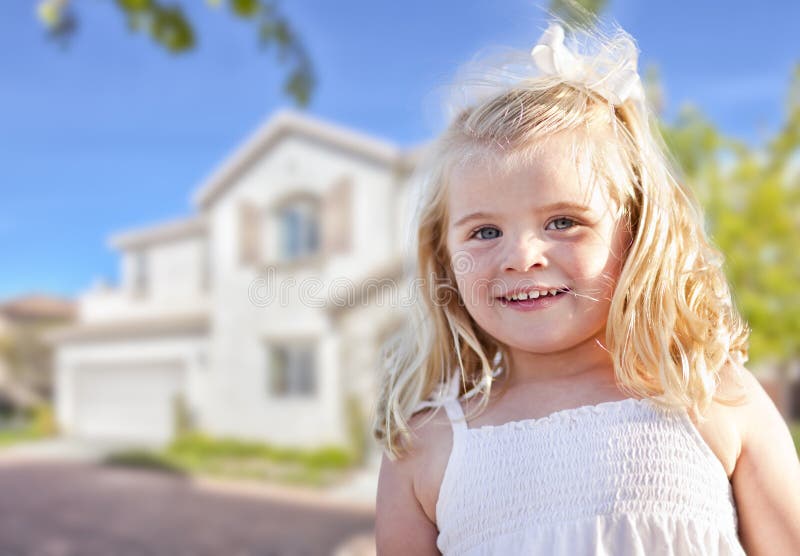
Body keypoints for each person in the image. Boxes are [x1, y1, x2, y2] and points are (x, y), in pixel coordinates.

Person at [372, 20, 800, 556]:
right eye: (485, 232)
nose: (523, 257)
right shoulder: (426, 446)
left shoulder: (710, 396)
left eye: (563, 222)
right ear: (444, 257)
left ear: (637, 232)